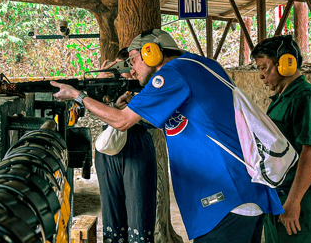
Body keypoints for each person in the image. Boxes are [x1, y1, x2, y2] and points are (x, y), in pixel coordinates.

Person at [51, 28, 284, 243]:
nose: (131, 69)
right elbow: (191, 119)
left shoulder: (172, 73)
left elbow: (121, 122)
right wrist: (138, 108)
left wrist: (77, 95)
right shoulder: (199, 65)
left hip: (225, 201)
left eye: (133, 60)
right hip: (245, 193)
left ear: (151, 53)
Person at [251, 35, 311, 243]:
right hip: (278, 197)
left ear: (286, 63)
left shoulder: (305, 97)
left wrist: (294, 201)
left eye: (264, 67)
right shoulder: (281, 99)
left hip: (299, 199)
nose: (261, 76)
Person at [95, 48, 157, 243]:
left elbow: (155, 120)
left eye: (130, 66)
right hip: (109, 148)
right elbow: (90, 107)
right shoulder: (110, 85)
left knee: (140, 212)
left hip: (137, 147)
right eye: (121, 67)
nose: (126, 72)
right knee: (112, 214)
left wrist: (133, 105)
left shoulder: (149, 84)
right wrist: (102, 81)